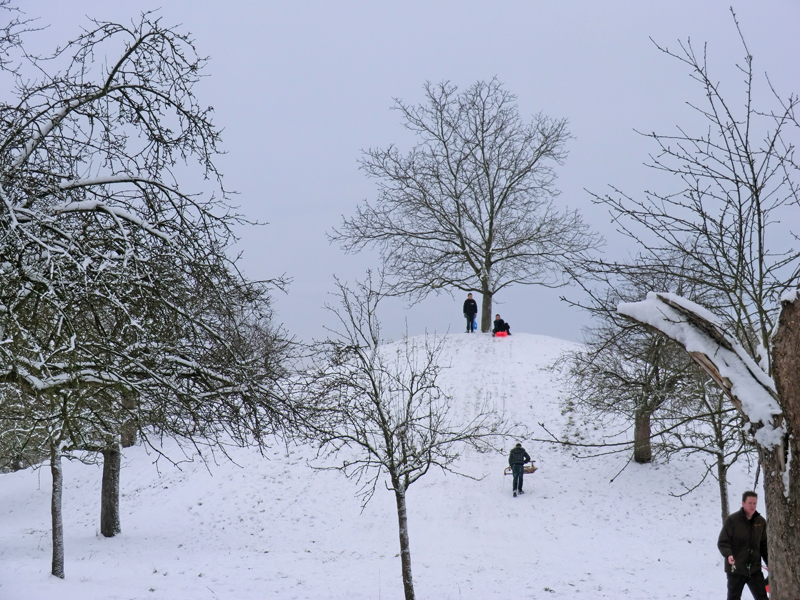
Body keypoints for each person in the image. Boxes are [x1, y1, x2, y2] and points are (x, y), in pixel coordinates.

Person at [717, 491, 768, 600]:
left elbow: (764, 546)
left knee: (762, 597)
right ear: (743, 503)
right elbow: (723, 542)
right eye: (750, 503)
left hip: (754, 570)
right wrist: (728, 554)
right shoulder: (733, 520)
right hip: (736, 569)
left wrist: (770, 563)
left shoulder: (761, 522)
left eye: (754, 503)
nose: (752, 506)